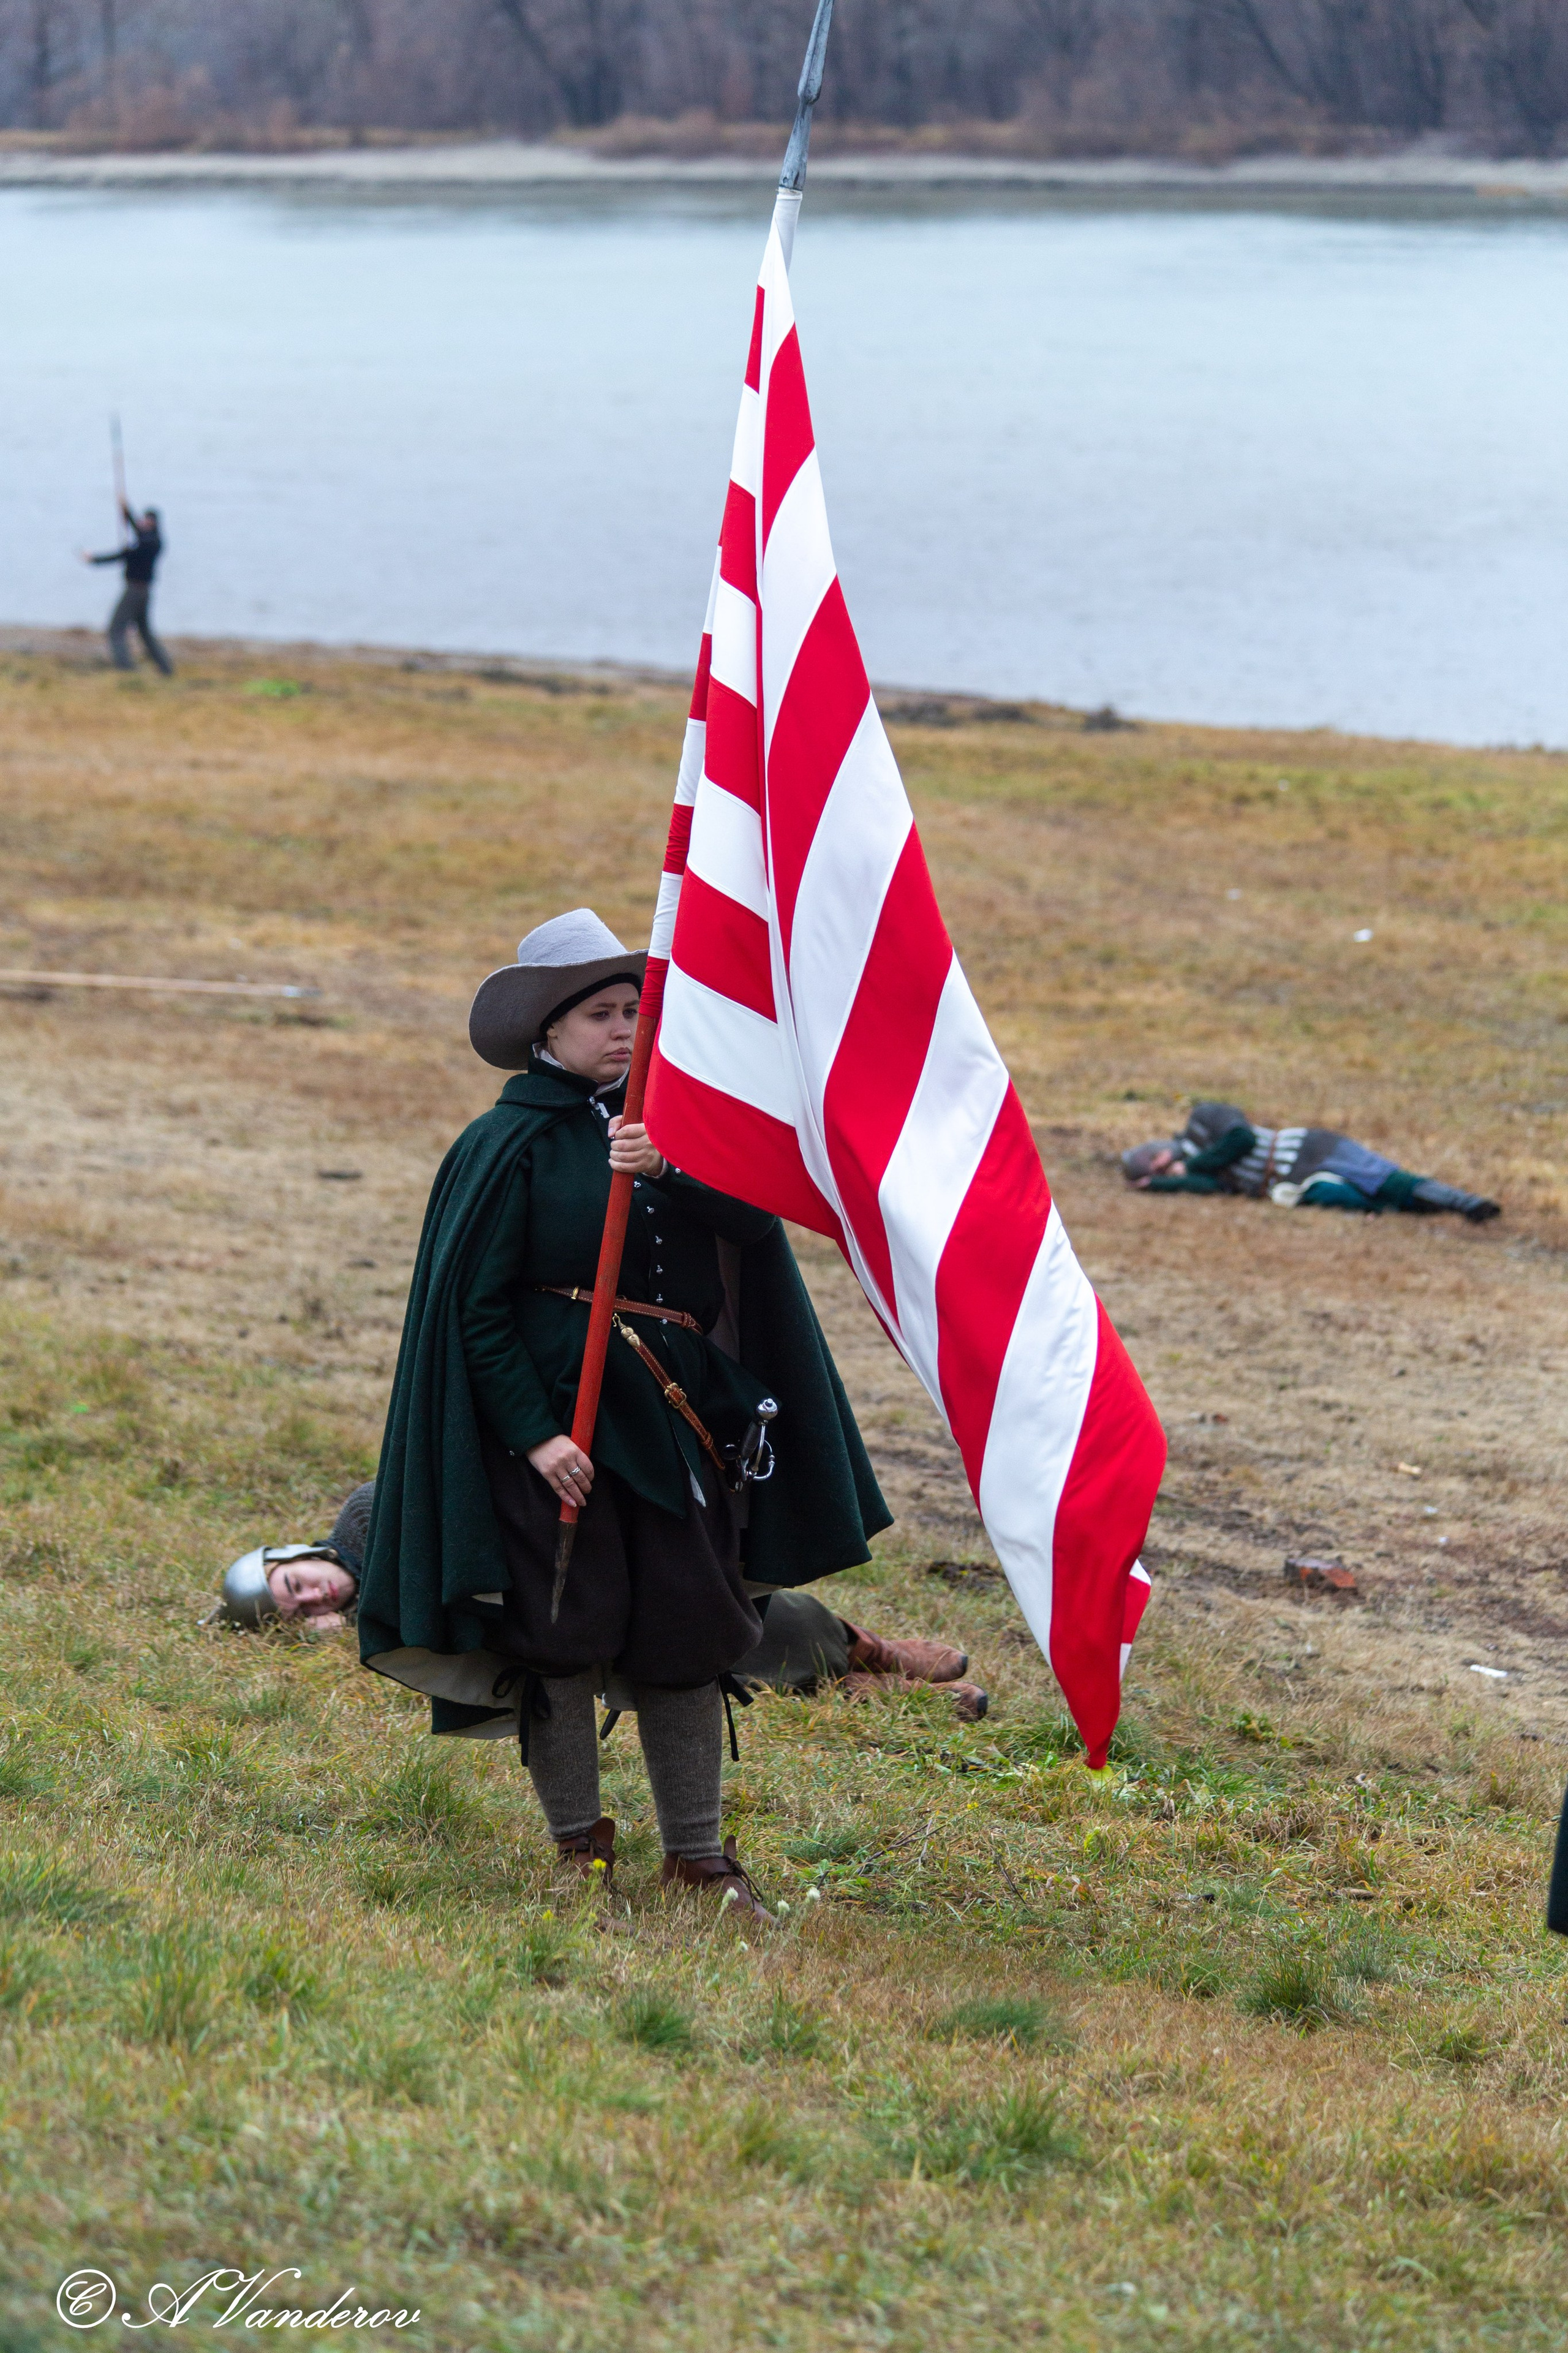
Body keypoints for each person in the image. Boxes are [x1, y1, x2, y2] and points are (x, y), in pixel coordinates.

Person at [357, 909, 893, 1926]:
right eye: (601, 1013)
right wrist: (538, 1435)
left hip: (674, 1431)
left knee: (690, 1635)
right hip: (555, 1437)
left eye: (635, 1013)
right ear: (547, 1032)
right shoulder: (504, 1145)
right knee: (560, 1635)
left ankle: (697, 1859)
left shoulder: (673, 1132)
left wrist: (673, 1170)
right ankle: (578, 1857)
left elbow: (755, 1227)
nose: (623, 1030)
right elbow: (473, 1314)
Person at [1123, 1101, 1499, 1223]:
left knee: (1386, 1179)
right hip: (1291, 1183)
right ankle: (1423, 1210)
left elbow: (1243, 1137)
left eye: (1154, 1162)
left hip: (1310, 1149)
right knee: (1341, 1197)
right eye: (1153, 1170)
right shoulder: (1197, 1169)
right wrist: (1165, 1186)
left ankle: (1465, 1203)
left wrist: (1191, 1166)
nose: (1159, 1165)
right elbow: (1215, 1189)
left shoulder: (1204, 1117)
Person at [212, 1481, 374, 1631]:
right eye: (303, 1613)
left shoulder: (367, 1513)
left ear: (297, 1557)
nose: (317, 1596)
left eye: (297, 1585)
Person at [82, 502, 173, 674]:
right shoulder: (150, 541)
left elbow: (123, 555)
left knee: (116, 629)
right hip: (143, 593)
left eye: (146, 521)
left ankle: (125, 668)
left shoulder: (148, 545)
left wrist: (93, 560)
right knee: (145, 632)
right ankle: (165, 668)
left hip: (135, 593)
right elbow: (138, 533)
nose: (142, 523)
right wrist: (127, 512)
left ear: (153, 524)